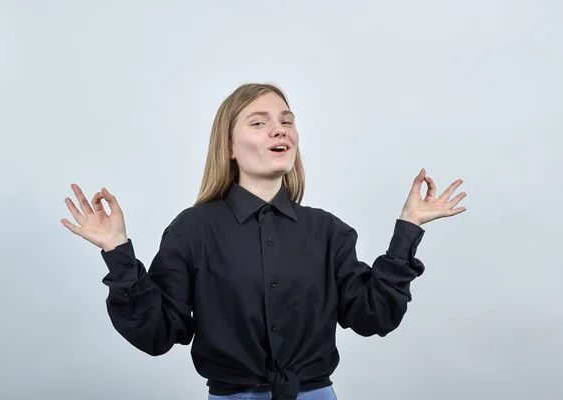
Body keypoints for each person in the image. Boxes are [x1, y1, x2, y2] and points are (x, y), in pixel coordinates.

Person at [61, 83, 467, 400]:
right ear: (229, 147)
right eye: (258, 122)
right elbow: (157, 333)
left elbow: (373, 316)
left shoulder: (329, 231)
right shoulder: (192, 230)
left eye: (286, 121)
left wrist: (409, 227)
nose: (279, 129)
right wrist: (117, 252)